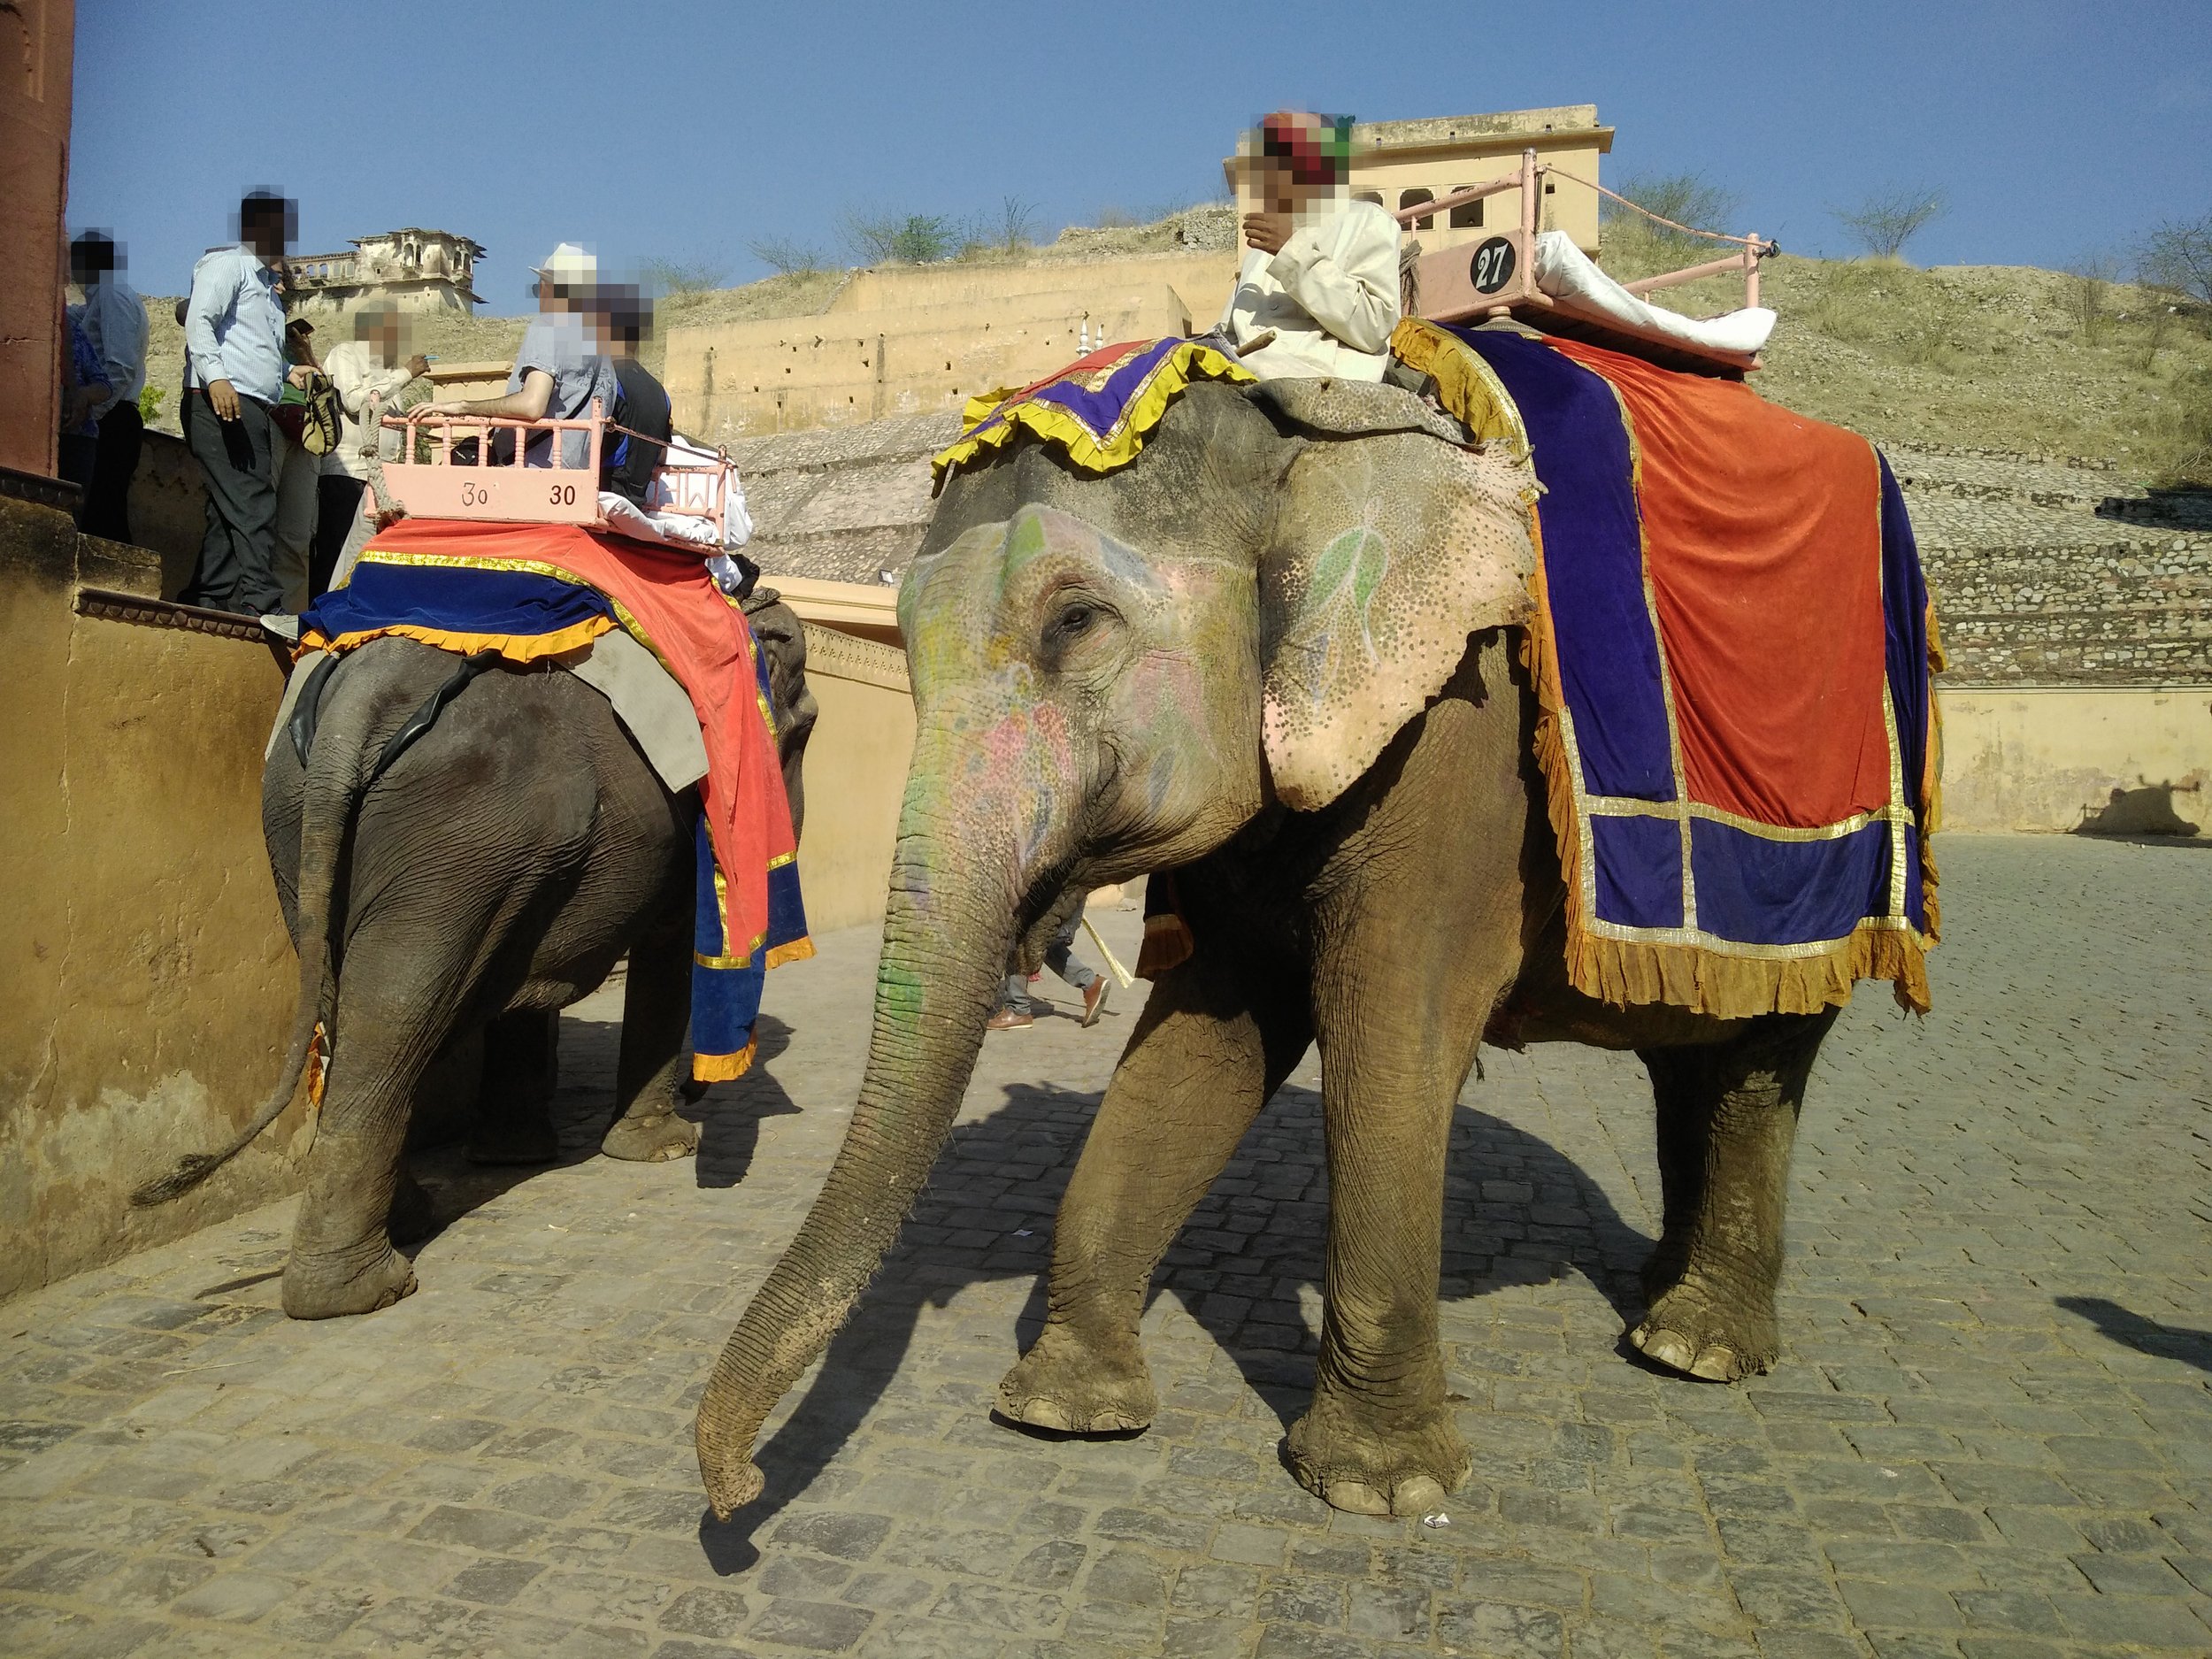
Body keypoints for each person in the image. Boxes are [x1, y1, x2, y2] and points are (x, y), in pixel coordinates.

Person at [180, 189, 313, 617]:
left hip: (251, 404)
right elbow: (199, 320)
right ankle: (263, 602)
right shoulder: (228, 265)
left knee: (228, 506)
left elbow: (250, 347)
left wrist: (288, 373)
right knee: (254, 502)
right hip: (217, 399)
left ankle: (213, 596)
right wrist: (216, 378)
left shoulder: (266, 290)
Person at [1216, 111, 1400, 381]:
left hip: (1317, 385)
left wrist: (1291, 251)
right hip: (1242, 379)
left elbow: (1374, 326)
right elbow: (1227, 334)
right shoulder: (1258, 253)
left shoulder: (1366, 220)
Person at [415, 242, 618, 472]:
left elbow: (532, 405)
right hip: (576, 482)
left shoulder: (548, 326)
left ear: (550, 288)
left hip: (527, 475)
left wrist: (462, 406)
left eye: (538, 288)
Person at [317, 303, 427, 595]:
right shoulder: (346, 354)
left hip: (378, 482)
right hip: (348, 473)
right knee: (337, 552)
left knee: (365, 556)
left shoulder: (386, 369)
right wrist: (404, 374)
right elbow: (355, 401)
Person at [67, 231, 149, 542]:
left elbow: (120, 366)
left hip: (114, 418)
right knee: (99, 510)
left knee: (104, 512)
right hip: (112, 416)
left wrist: (92, 411)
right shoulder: (99, 299)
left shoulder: (113, 295)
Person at [269, 315, 326, 611]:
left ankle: (290, 613)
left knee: (297, 533)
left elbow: (323, 386)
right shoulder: (255, 324)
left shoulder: (298, 343)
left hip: (305, 428)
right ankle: (253, 603)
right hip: (270, 415)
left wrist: (305, 352)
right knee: (258, 518)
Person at [597, 283, 671, 504]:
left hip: (604, 489)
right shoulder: (659, 390)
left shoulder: (607, 380)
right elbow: (662, 455)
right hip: (637, 496)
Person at [987, 901, 1110, 1031]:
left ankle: (1018, 1009)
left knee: (1020, 936)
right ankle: (1090, 983)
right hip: (1061, 900)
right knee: (1043, 942)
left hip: (1052, 898)